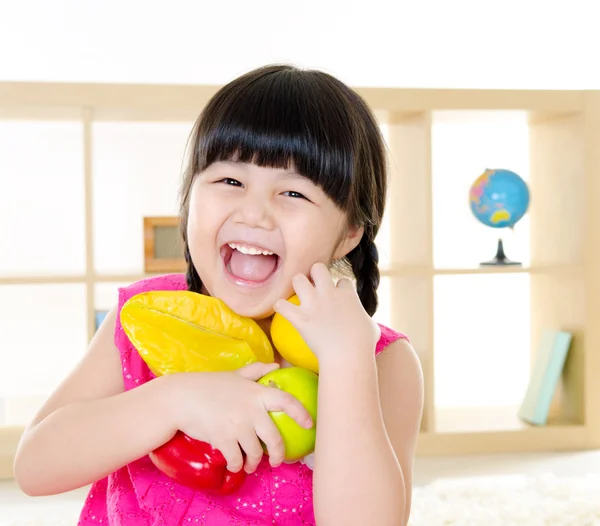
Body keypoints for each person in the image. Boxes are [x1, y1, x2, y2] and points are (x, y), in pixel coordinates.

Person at [13, 64, 424, 526]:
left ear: (349, 232)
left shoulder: (381, 359)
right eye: (230, 181)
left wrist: (348, 364)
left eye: (293, 192)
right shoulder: (149, 318)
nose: (254, 212)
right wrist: (174, 400)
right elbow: (34, 468)